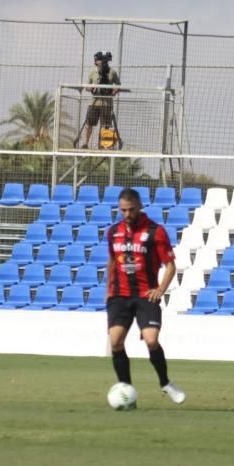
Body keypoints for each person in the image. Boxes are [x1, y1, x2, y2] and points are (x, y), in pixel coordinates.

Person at [105, 188, 185, 405]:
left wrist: (160, 289)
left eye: (130, 210)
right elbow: (112, 261)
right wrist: (108, 290)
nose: (126, 214)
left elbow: (170, 266)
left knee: (151, 340)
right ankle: (126, 391)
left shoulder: (155, 231)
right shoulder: (113, 232)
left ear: (139, 206)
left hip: (145, 295)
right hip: (119, 295)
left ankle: (166, 383)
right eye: (122, 210)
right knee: (115, 342)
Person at [80, 51, 121, 150]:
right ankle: (85, 143)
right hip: (94, 102)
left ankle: (102, 145)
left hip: (107, 103)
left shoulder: (112, 72)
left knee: (104, 125)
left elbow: (119, 85)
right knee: (89, 124)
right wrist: (91, 88)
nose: (95, 61)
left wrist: (113, 92)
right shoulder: (92, 72)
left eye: (97, 59)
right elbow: (87, 86)